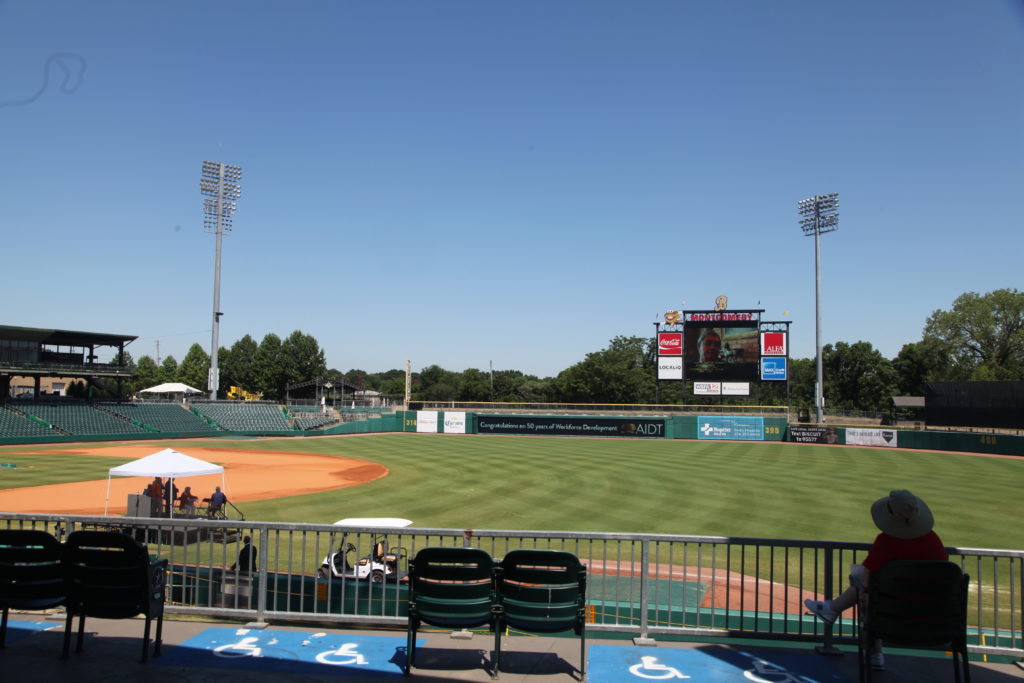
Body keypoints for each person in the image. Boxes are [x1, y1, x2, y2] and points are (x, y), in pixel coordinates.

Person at [804, 490, 947, 671]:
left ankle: (839, 616)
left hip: (891, 619)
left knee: (868, 594)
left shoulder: (886, 541)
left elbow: (865, 581)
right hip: (935, 620)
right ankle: (832, 610)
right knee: (874, 595)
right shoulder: (934, 540)